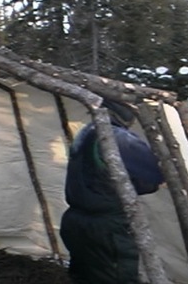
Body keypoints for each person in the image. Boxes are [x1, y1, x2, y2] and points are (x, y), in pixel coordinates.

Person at [60, 100, 165, 284]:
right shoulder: (118, 137)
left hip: (76, 221)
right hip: (106, 229)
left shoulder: (85, 132)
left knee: (85, 277)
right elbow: (155, 175)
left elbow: (97, 175)